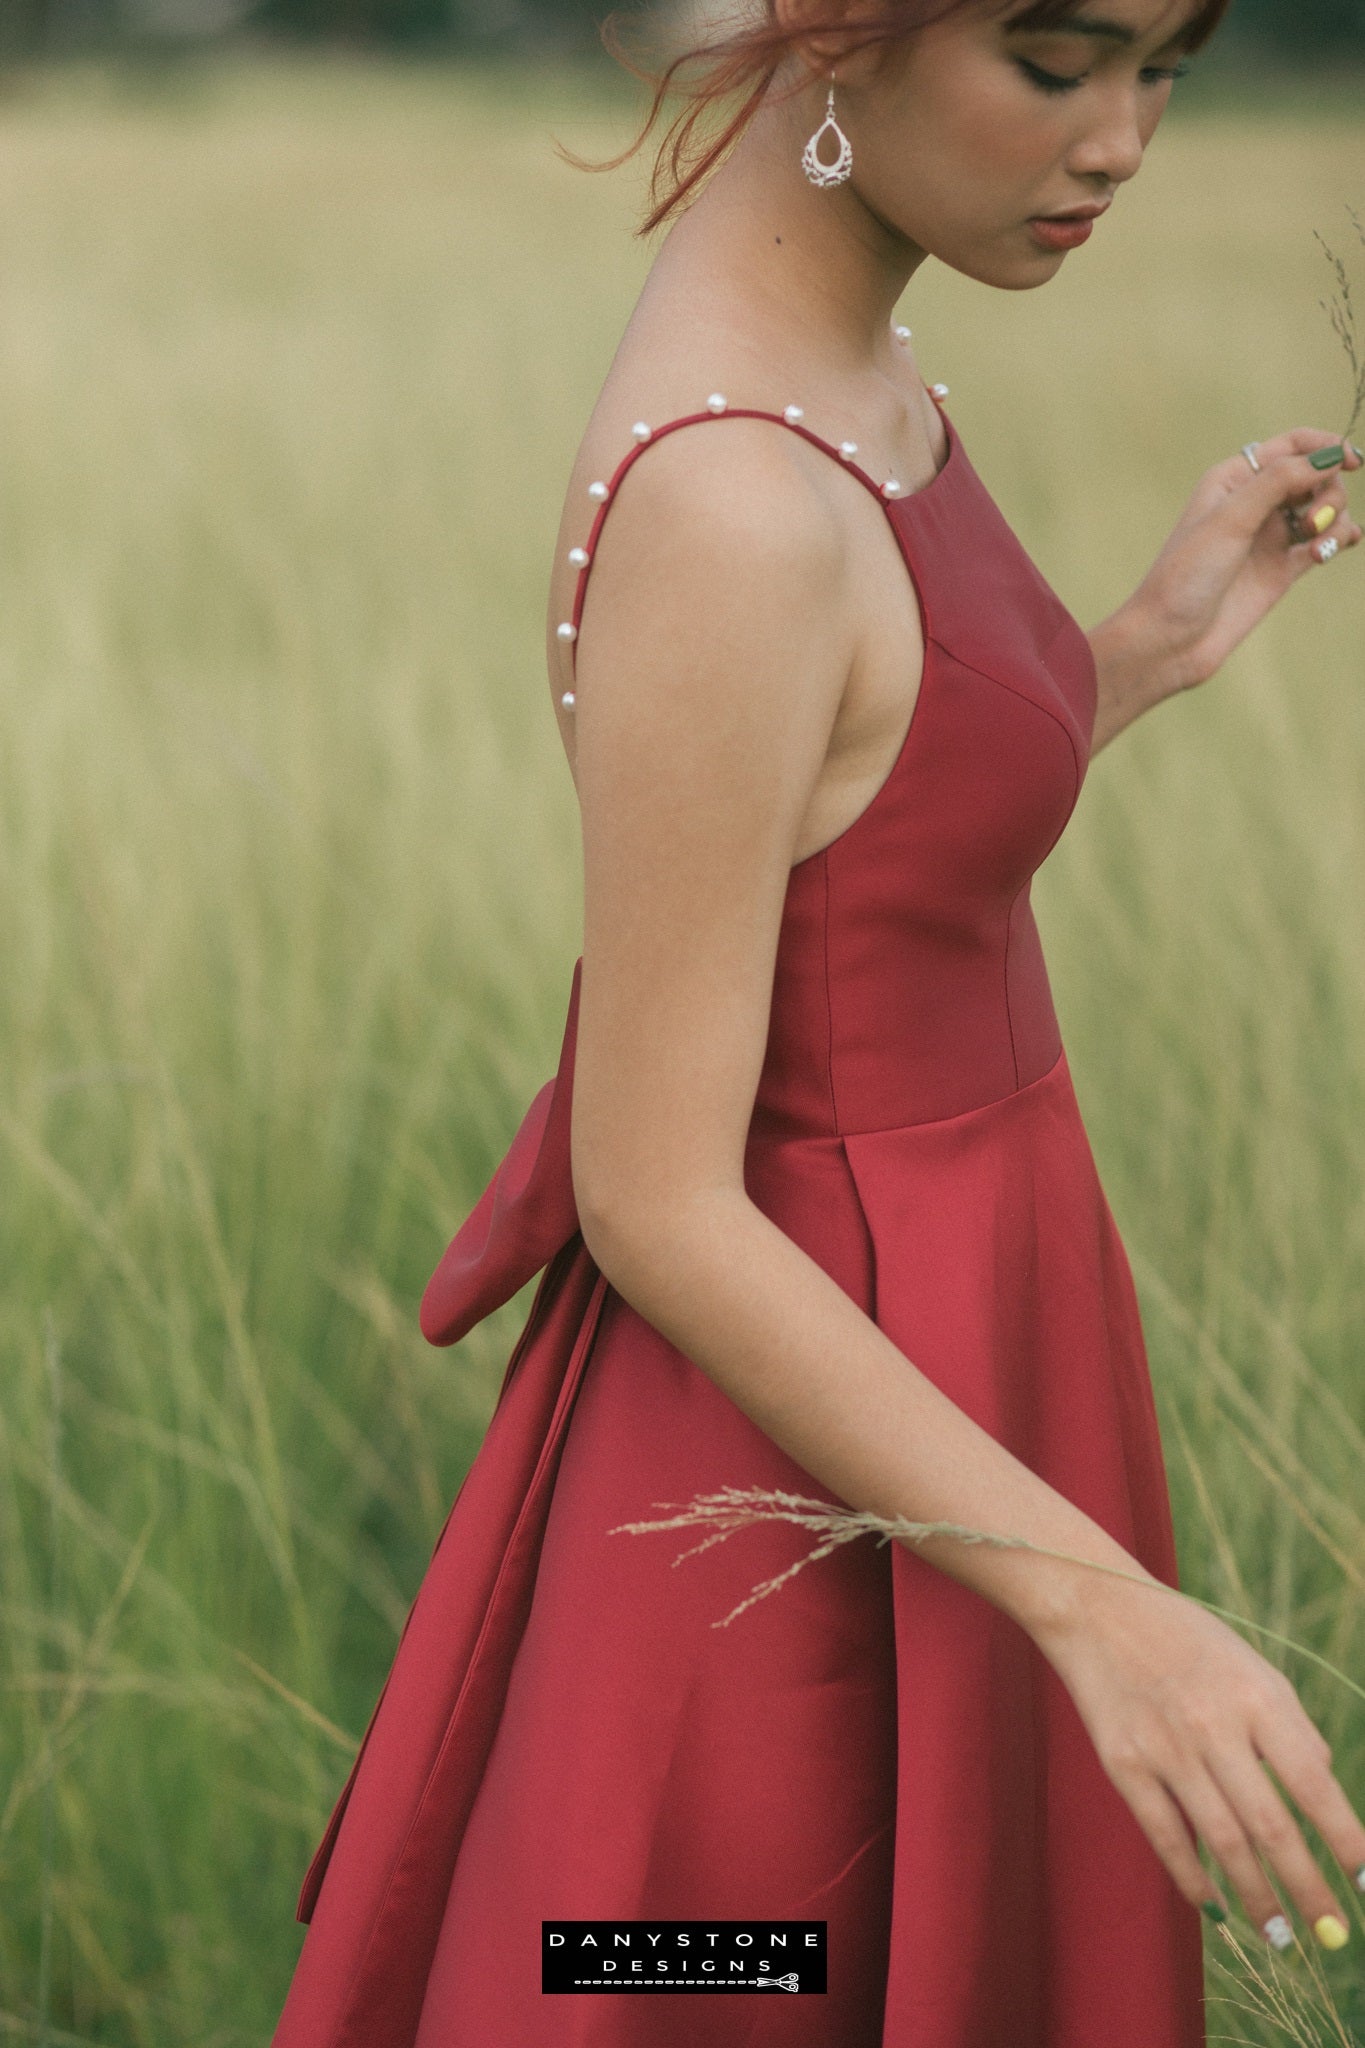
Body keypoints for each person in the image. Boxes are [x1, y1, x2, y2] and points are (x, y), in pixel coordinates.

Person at [270, 2, 1365, 2043]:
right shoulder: (734, 500)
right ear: (839, 28)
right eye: (1055, 61)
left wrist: (1123, 654)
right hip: (789, 1498)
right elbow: (654, 1193)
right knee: (717, 1972)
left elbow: (845, 844)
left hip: (941, 1381)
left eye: (1163, 71)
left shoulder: (845, 348)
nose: (1119, 140)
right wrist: (1099, 1607)